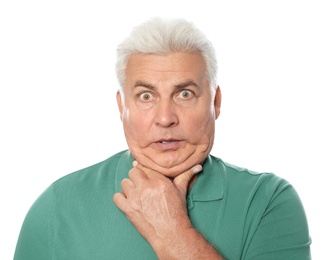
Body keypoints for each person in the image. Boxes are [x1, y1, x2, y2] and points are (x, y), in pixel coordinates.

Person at [14, 17, 311, 259]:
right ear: (122, 107)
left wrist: (173, 233)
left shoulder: (268, 201)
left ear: (215, 101)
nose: (166, 117)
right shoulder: (58, 206)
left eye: (185, 94)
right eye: (146, 96)